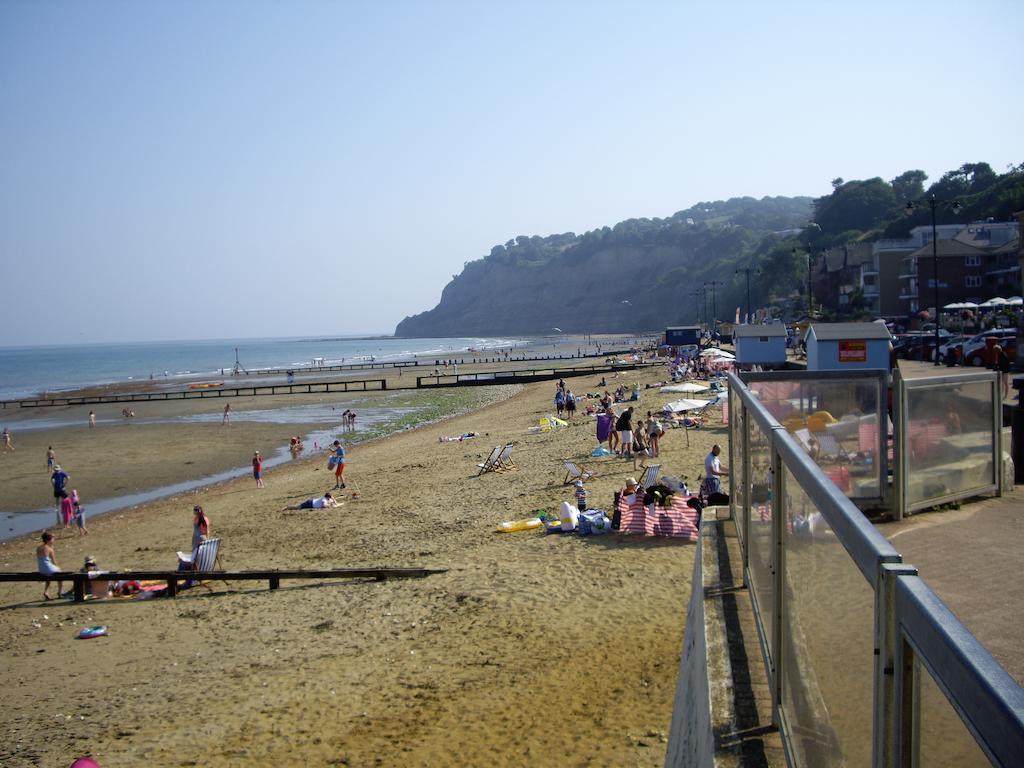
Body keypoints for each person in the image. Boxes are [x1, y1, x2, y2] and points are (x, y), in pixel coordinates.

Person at [36, 532, 63, 600]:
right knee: (60, 574)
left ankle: (46, 592)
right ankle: (60, 592)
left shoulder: (38, 548)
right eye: (52, 539)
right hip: (48, 568)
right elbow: (54, 562)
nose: (53, 540)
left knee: (48, 577)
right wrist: (58, 568)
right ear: (48, 540)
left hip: (41, 569)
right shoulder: (50, 549)